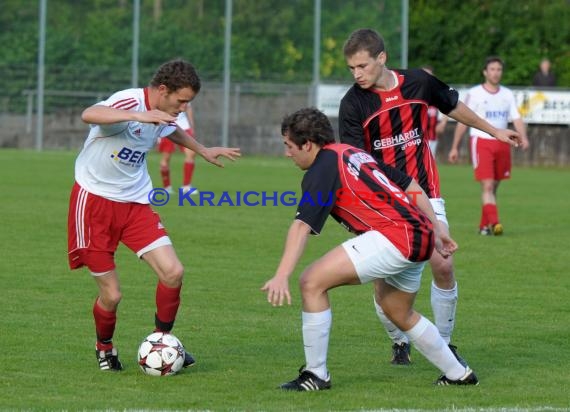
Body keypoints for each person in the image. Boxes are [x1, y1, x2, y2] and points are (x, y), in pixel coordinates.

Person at [338, 29, 522, 366]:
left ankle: (445, 343)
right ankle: (398, 342)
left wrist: (494, 130)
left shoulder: (419, 83)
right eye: (351, 68)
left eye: (362, 66)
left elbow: (453, 106)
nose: (357, 74)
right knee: (384, 286)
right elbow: (355, 161)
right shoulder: (353, 103)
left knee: (443, 263)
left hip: (426, 191)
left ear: (382, 58)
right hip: (384, 200)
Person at [261, 107, 478, 391]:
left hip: (397, 236)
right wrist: (436, 227)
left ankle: (316, 375)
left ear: (308, 145)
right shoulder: (352, 153)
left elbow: (302, 226)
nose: (287, 153)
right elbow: (410, 184)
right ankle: (458, 373)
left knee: (311, 281)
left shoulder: (323, 166)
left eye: (289, 146)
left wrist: (281, 274)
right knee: (397, 310)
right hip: (419, 235)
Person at [67, 59, 241, 371]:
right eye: (182, 100)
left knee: (173, 272)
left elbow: (171, 130)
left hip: (135, 203)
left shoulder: (165, 114)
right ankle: (104, 348)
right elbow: (89, 114)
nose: (185, 108)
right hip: (94, 203)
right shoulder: (131, 101)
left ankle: (162, 342)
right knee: (113, 294)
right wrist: (138, 115)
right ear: (162, 90)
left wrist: (202, 150)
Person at [448, 56, 529, 236]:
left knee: (494, 187)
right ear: (485, 72)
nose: (495, 73)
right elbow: (463, 120)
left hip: (503, 142)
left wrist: (523, 136)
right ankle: (495, 223)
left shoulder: (507, 94)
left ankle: (483, 226)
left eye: (498, 69)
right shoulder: (475, 93)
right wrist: (455, 146)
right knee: (488, 186)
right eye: (492, 69)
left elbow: (516, 117)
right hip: (481, 141)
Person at [158, 103, 199, 194]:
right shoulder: (164, 92)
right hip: (166, 126)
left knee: (191, 153)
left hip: (184, 126)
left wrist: (191, 125)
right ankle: (167, 187)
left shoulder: (185, 92)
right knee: (166, 157)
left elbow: (188, 107)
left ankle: (186, 186)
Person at [422, 66, 449, 158]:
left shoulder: (437, 94)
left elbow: (447, 109)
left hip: (432, 138)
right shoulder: (414, 93)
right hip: (414, 140)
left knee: (429, 164)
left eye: (429, 75)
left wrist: (443, 123)